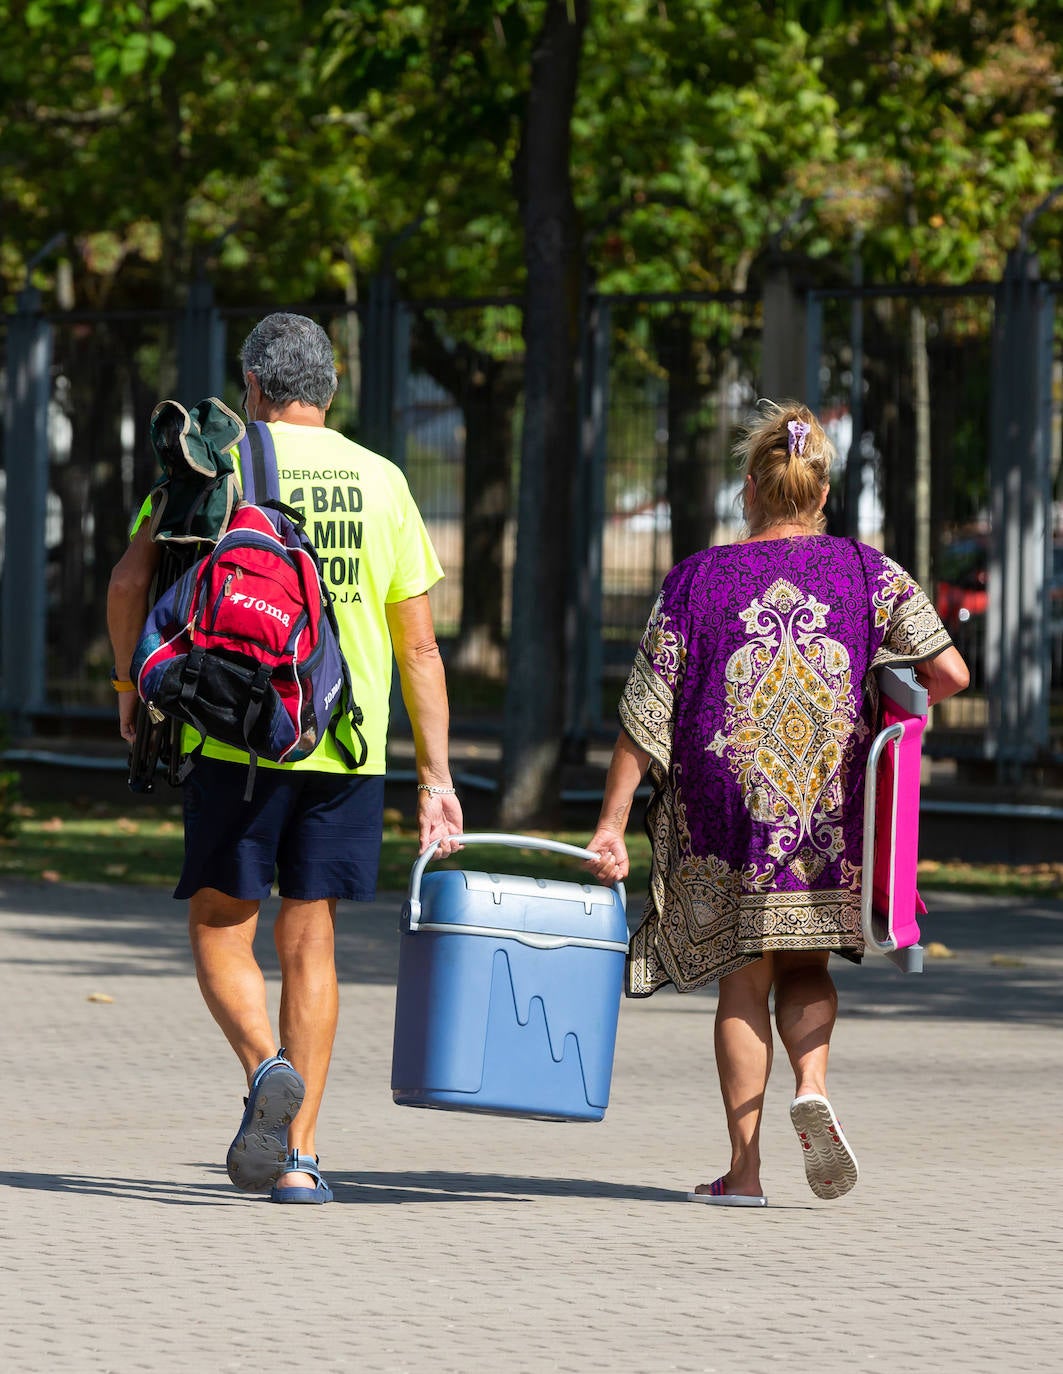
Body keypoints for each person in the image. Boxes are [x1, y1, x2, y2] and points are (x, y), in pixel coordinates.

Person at [107, 313, 463, 1205]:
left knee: (222, 926)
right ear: (331, 389)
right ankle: (301, 1160)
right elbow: (419, 650)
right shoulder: (383, 481)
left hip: (233, 734)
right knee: (313, 943)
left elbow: (126, 581)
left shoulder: (209, 464)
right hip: (343, 743)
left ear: (254, 388)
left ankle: (265, 1064)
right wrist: (436, 779)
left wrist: (127, 687)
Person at [585, 400, 969, 1207]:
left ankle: (745, 1171)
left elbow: (645, 715)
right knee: (806, 964)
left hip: (725, 806)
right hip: (825, 802)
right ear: (820, 494)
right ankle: (814, 1086)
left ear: (750, 490)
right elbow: (952, 676)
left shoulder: (697, 578)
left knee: (740, 980)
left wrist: (612, 823)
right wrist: (881, 687)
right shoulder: (869, 573)